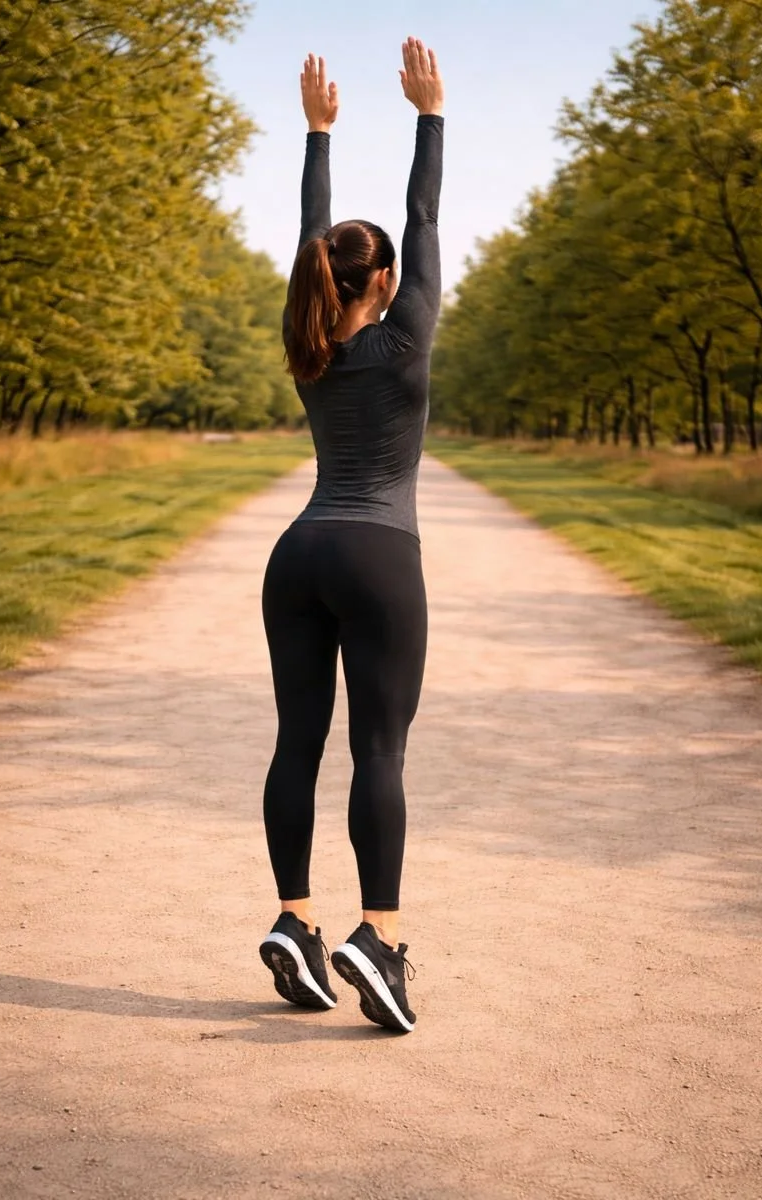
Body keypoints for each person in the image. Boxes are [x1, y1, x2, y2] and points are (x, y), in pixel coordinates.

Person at [259, 38, 444, 1034]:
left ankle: (294, 921)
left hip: (298, 554)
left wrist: (316, 134)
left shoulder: (307, 339)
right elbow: (424, 218)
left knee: (298, 742)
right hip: (377, 555)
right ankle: (376, 937)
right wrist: (430, 114)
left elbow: (308, 243)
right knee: (379, 752)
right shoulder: (407, 329)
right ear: (383, 279)